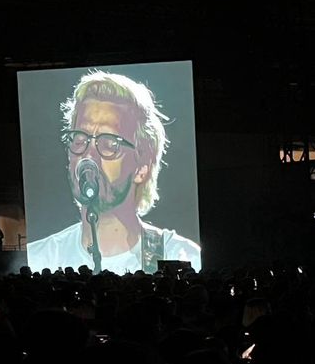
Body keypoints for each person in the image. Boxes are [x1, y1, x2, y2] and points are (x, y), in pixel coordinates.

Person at [25, 70, 202, 273]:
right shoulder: (39, 259)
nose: (89, 155)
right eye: (80, 139)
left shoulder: (180, 256)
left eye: (109, 143)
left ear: (142, 167)